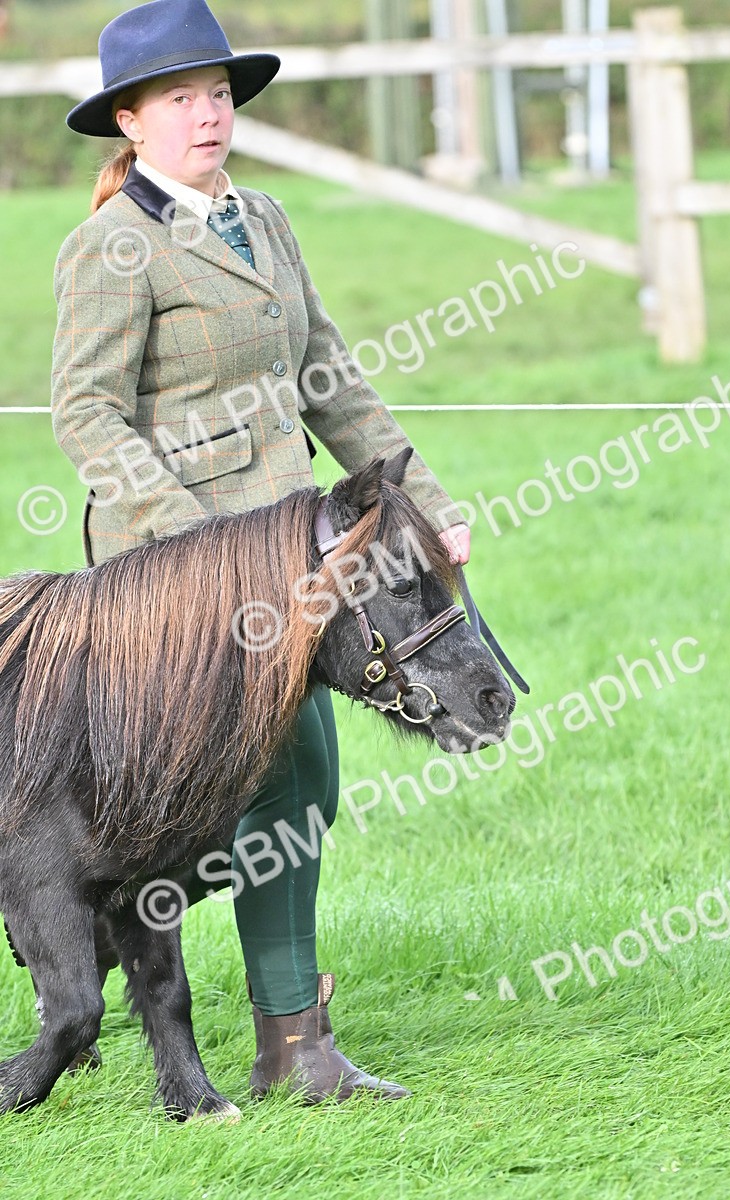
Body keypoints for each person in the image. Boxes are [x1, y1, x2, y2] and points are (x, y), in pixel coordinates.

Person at [49, 0, 470, 1105]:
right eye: (180, 99)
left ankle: (294, 1040)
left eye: (220, 94)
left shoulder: (267, 219)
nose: (207, 115)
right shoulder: (110, 246)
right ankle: (108, 990)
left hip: (300, 567)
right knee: (204, 799)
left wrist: (426, 507)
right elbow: (87, 415)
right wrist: (202, 553)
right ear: (129, 123)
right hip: (175, 580)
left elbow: (329, 379)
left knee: (301, 780)